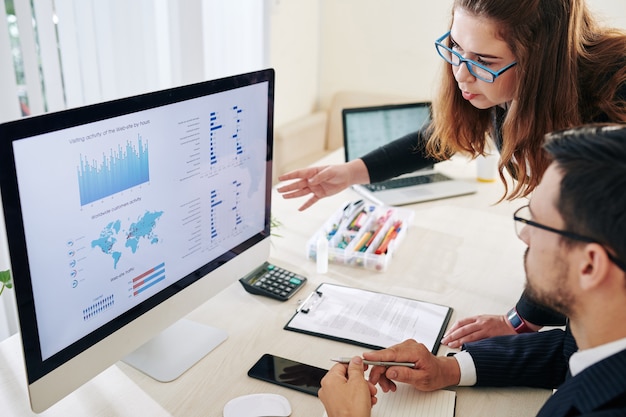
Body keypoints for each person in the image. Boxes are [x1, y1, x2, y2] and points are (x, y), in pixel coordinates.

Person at [277, 0, 626, 348]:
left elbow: (569, 236)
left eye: (484, 61)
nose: (461, 73)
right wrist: (351, 172)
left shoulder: (609, 112)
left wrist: (520, 321)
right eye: (456, 48)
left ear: (541, 61)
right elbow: (443, 133)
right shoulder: (505, 89)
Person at [318, 124, 626, 417]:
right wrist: (446, 369)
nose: (524, 236)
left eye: (536, 222)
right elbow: (567, 350)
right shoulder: (605, 332)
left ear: (590, 265)